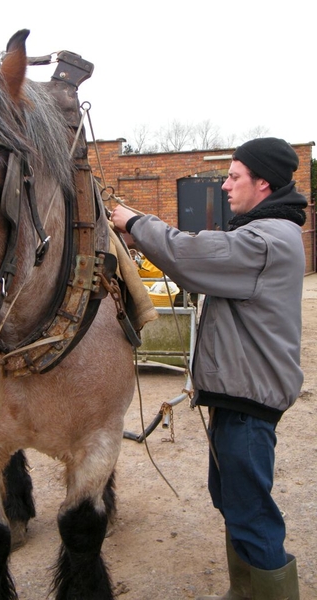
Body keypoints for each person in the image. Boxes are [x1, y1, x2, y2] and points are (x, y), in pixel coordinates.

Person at [111, 137, 306, 600]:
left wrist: (136, 220)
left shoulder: (265, 239)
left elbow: (191, 256)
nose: (224, 185)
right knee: (232, 499)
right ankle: (245, 591)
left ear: (263, 183)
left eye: (234, 176)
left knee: (251, 510)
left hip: (248, 401)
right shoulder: (263, 233)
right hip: (237, 395)